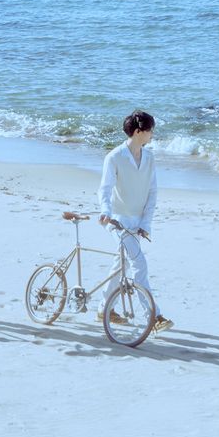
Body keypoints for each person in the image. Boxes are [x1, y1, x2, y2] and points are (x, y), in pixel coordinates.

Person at [97, 110, 173, 333]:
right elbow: (105, 189)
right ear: (139, 131)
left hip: (137, 222)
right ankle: (154, 316)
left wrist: (146, 224)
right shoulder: (114, 157)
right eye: (150, 131)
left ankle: (104, 308)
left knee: (120, 265)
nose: (152, 135)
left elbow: (152, 192)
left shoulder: (149, 158)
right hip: (117, 222)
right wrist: (105, 212)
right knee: (139, 264)